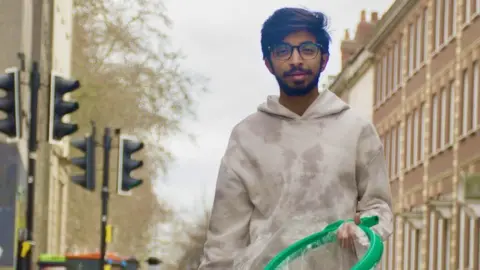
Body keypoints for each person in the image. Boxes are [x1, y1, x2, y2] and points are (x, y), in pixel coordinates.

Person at [198, 7, 393, 270]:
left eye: (307, 49)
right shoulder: (247, 137)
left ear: (324, 59)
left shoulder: (356, 130)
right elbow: (224, 239)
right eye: (283, 51)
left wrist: (359, 229)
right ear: (268, 62)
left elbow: (379, 209)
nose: (296, 60)